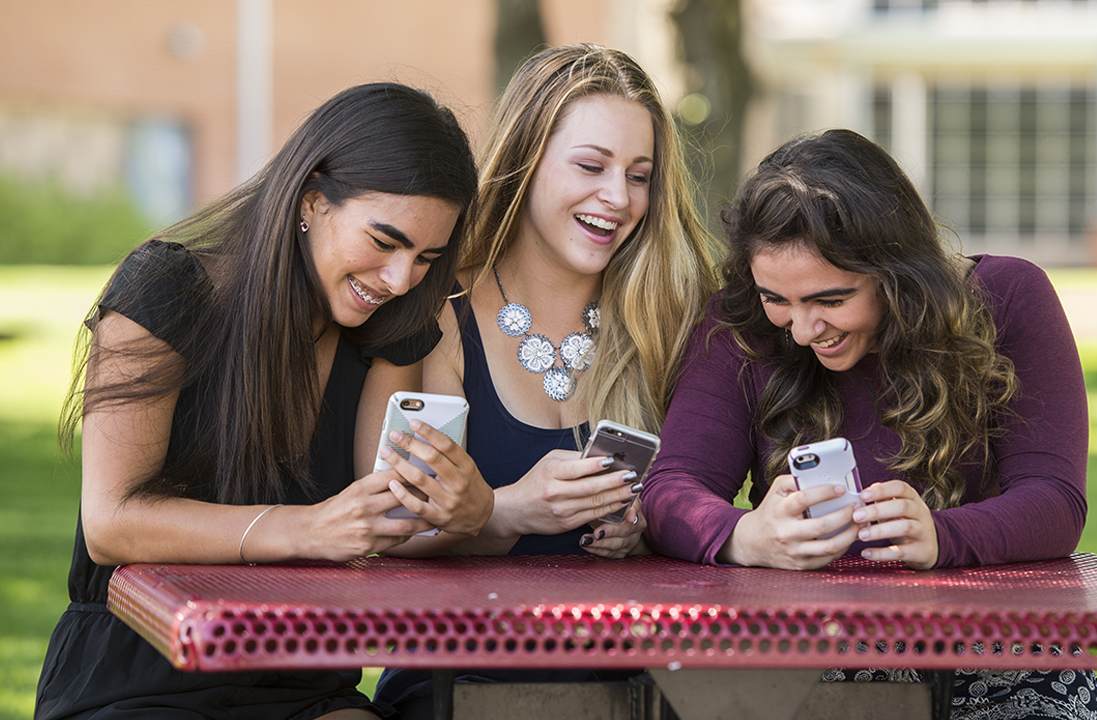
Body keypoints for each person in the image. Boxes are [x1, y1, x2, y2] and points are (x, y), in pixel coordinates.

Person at [36, 82, 488, 720]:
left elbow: (377, 521)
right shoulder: (167, 294)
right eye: (385, 243)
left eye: (426, 257)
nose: (400, 279)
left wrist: (465, 513)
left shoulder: (390, 329)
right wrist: (302, 528)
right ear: (312, 201)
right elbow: (111, 523)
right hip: (139, 671)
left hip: (297, 679)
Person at [641, 129, 1097, 719]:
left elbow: (1056, 501)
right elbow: (670, 490)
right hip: (813, 653)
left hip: (992, 652)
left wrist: (942, 537)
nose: (802, 329)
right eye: (777, 299)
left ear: (897, 270)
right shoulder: (738, 325)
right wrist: (748, 536)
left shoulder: (1008, 297)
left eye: (831, 300)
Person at [375, 44, 717, 712]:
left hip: (634, 685)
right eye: (591, 166)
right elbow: (398, 530)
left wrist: (650, 527)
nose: (617, 198)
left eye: (640, 175)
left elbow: (710, 501)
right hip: (464, 679)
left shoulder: (668, 315)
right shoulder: (439, 315)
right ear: (527, 162)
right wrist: (510, 512)